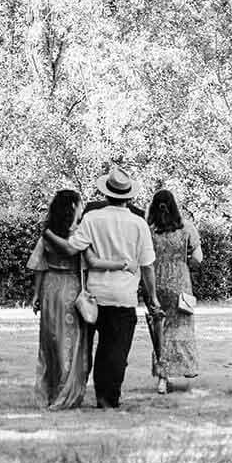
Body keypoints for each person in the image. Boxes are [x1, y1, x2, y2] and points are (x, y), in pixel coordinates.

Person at [65, 168, 162, 410]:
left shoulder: (92, 219)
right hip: (124, 295)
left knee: (87, 348)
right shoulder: (139, 224)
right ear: (129, 197)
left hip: (94, 294)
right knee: (116, 349)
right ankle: (108, 397)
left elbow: (73, 246)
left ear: (106, 194)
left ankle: (79, 390)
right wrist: (152, 296)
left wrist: (90, 253)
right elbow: (147, 265)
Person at [27, 189, 101, 410]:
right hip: (72, 288)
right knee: (72, 343)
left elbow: (38, 266)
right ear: (73, 208)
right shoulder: (80, 234)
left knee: (51, 340)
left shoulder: (47, 234)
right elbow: (87, 265)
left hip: (51, 288)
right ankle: (67, 389)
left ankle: (50, 390)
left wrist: (36, 294)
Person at [146, 189, 202, 394]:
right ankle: (186, 366)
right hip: (181, 281)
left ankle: (163, 377)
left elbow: (144, 259)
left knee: (159, 328)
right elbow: (198, 258)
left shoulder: (149, 229)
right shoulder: (186, 227)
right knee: (183, 324)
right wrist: (184, 260)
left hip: (156, 282)